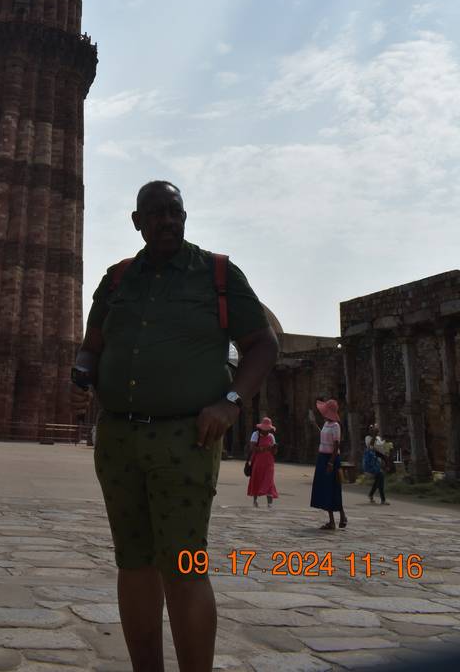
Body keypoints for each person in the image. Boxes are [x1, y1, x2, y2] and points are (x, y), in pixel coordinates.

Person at [72, 180, 279, 672]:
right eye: (157, 213)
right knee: (134, 564)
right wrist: (83, 368)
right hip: (119, 439)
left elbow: (264, 345)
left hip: (185, 439)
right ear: (137, 221)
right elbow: (92, 344)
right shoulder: (119, 279)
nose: (168, 220)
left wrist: (230, 403)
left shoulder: (216, 275)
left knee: (184, 566)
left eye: (176, 211)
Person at [310, 398, 348, 530]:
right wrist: (314, 423)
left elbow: (337, 444)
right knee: (325, 489)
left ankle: (340, 516)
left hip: (331, 459)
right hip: (322, 457)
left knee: (333, 488)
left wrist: (331, 462)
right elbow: (321, 434)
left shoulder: (336, 426)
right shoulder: (326, 424)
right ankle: (333, 520)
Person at [247, 416, 278, 508]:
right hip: (257, 460)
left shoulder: (271, 436)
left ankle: (270, 503)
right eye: (265, 429)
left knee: (269, 480)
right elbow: (252, 448)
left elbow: (274, 452)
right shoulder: (255, 435)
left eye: (268, 429)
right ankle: (255, 500)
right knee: (256, 478)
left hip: (269, 461)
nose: (267, 431)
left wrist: (274, 448)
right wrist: (264, 448)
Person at [364, 432, 389, 505]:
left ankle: (372, 495)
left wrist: (386, 464)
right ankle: (382, 499)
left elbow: (383, 455)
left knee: (379, 479)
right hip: (369, 467)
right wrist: (374, 434)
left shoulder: (376, 451)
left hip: (374, 468)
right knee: (380, 477)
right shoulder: (369, 449)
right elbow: (371, 444)